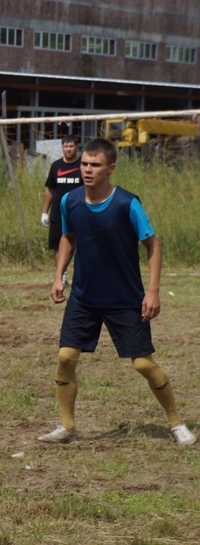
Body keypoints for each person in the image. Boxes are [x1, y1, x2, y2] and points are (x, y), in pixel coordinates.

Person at [38, 137, 195, 446]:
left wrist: (152, 292)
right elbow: (67, 238)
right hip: (84, 296)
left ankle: (176, 423)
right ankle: (67, 427)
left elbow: (153, 244)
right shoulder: (69, 200)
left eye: (94, 165)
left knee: (143, 364)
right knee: (66, 356)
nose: (87, 169)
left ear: (110, 168)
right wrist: (59, 276)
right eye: (84, 163)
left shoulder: (127, 203)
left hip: (124, 298)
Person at [41, 134, 82, 266]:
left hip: (78, 212)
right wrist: (44, 212)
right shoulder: (56, 166)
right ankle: (61, 275)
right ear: (62, 147)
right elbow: (50, 190)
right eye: (66, 146)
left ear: (76, 147)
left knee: (81, 245)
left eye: (71, 146)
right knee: (58, 246)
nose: (68, 149)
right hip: (58, 213)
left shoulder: (84, 165)